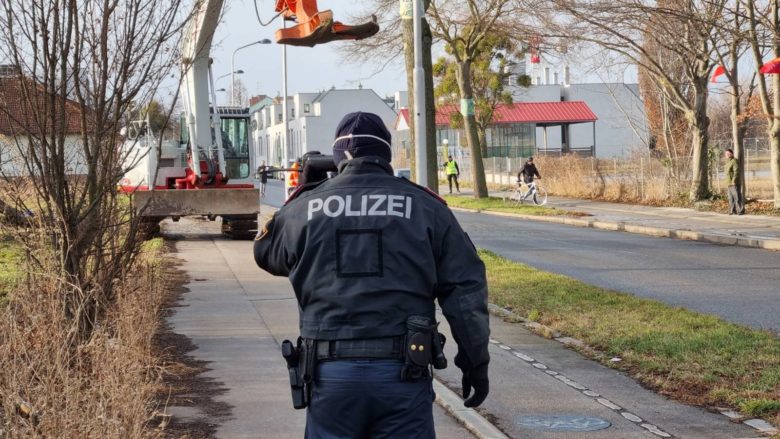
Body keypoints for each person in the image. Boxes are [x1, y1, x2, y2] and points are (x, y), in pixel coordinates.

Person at [254, 111, 490, 438]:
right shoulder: (426, 207)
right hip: (403, 373)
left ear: (337, 158)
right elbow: (466, 292)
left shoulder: (304, 208)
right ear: (386, 154)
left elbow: (267, 255)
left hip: (329, 374)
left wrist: (303, 191)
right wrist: (475, 363)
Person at [724, 148, 745, 215]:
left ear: (731, 154)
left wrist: (734, 181)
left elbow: (736, 171)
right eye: (726, 153)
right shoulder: (727, 162)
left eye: (728, 153)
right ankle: (732, 210)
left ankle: (740, 210)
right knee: (730, 198)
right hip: (728, 182)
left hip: (734, 183)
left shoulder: (734, 161)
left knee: (737, 197)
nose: (726, 155)